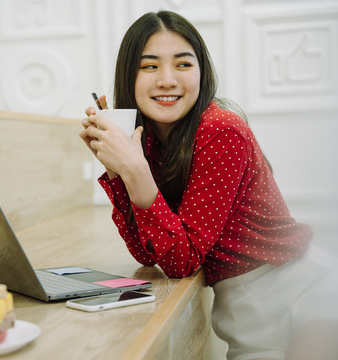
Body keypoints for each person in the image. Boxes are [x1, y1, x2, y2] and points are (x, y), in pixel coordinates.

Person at [79, 10, 338, 360]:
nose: (167, 79)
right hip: (246, 319)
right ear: (129, 76)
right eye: (150, 66)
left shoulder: (220, 130)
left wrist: (135, 172)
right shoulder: (150, 143)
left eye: (183, 65)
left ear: (202, 72)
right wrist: (117, 171)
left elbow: (182, 261)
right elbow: (147, 253)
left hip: (306, 296)